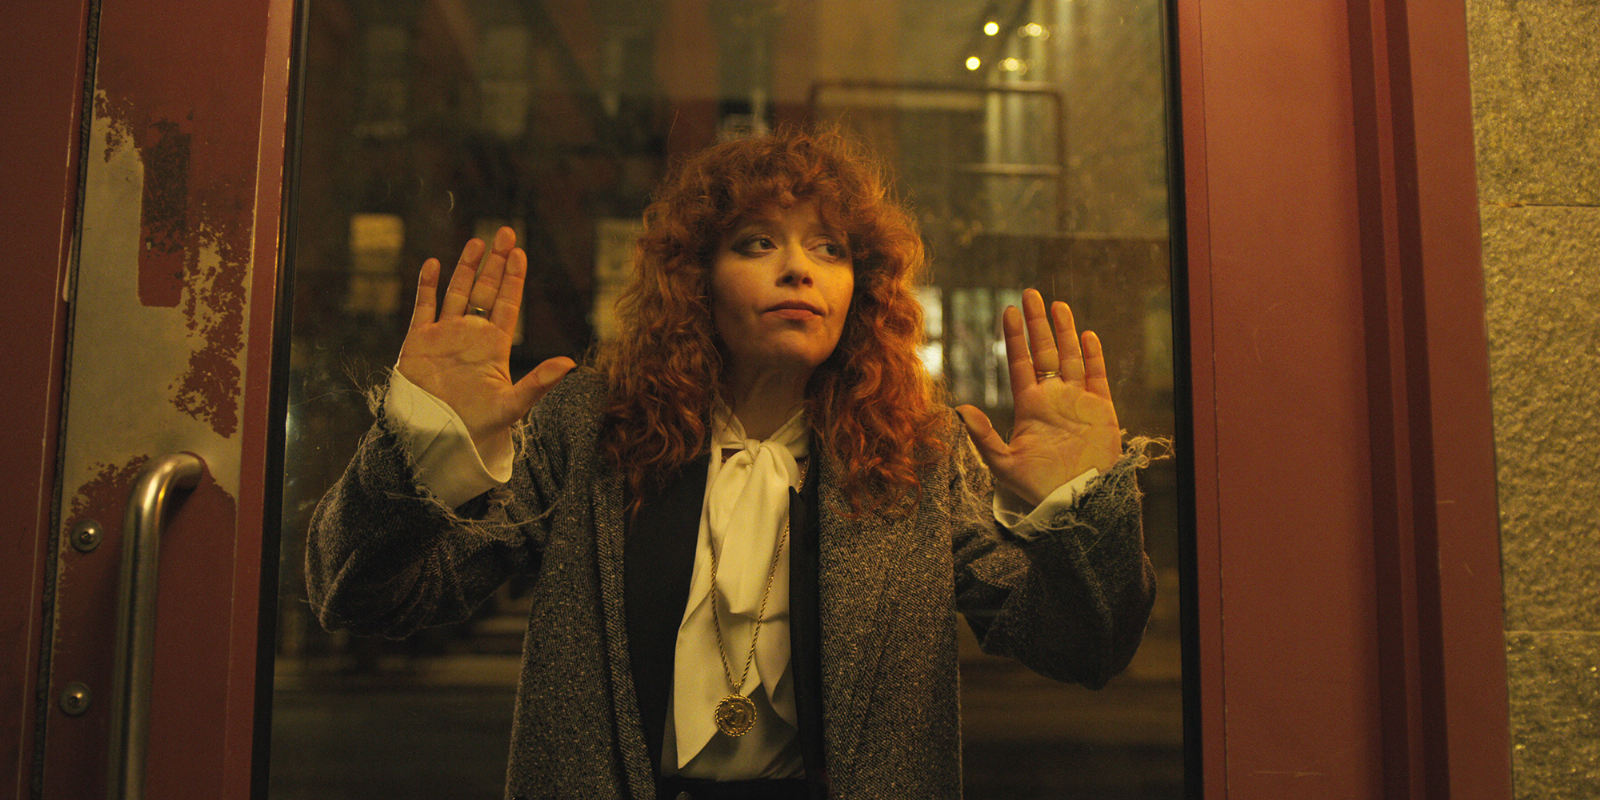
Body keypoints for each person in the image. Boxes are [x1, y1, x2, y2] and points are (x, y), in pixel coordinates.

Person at [307, 127, 1156, 800]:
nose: (797, 269)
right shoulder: (590, 425)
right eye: (756, 243)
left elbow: (1082, 645)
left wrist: (1081, 510)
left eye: (828, 249)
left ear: (861, 288)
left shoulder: (917, 450)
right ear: (696, 278)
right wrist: (422, 444)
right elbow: (366, 594)